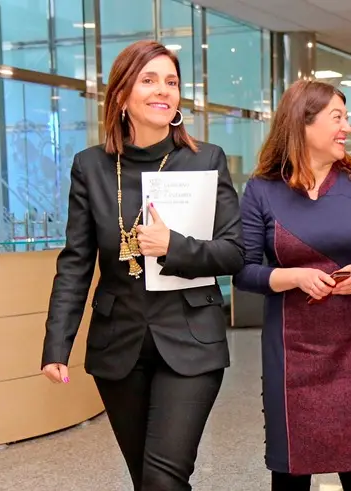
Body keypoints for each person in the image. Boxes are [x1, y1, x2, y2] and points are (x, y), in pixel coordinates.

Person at [40, 40, 243, 490]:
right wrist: (57, 343)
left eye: (171, 82)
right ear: (120, 96)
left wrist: (175, 246)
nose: (162, 90)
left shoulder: (205, 160)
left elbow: (234, 251)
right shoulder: (90, 167)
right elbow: (75, 262)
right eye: (148, 80)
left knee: (163, 477)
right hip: (119, 345)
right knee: (145, 479)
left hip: (191, 339)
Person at [233, 80, 351, 491]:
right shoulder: (261, 189)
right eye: (337, 118)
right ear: (302, 124)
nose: (347, 128)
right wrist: (295, 277)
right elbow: (243, 270)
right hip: (290, 347)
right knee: (291, 464)